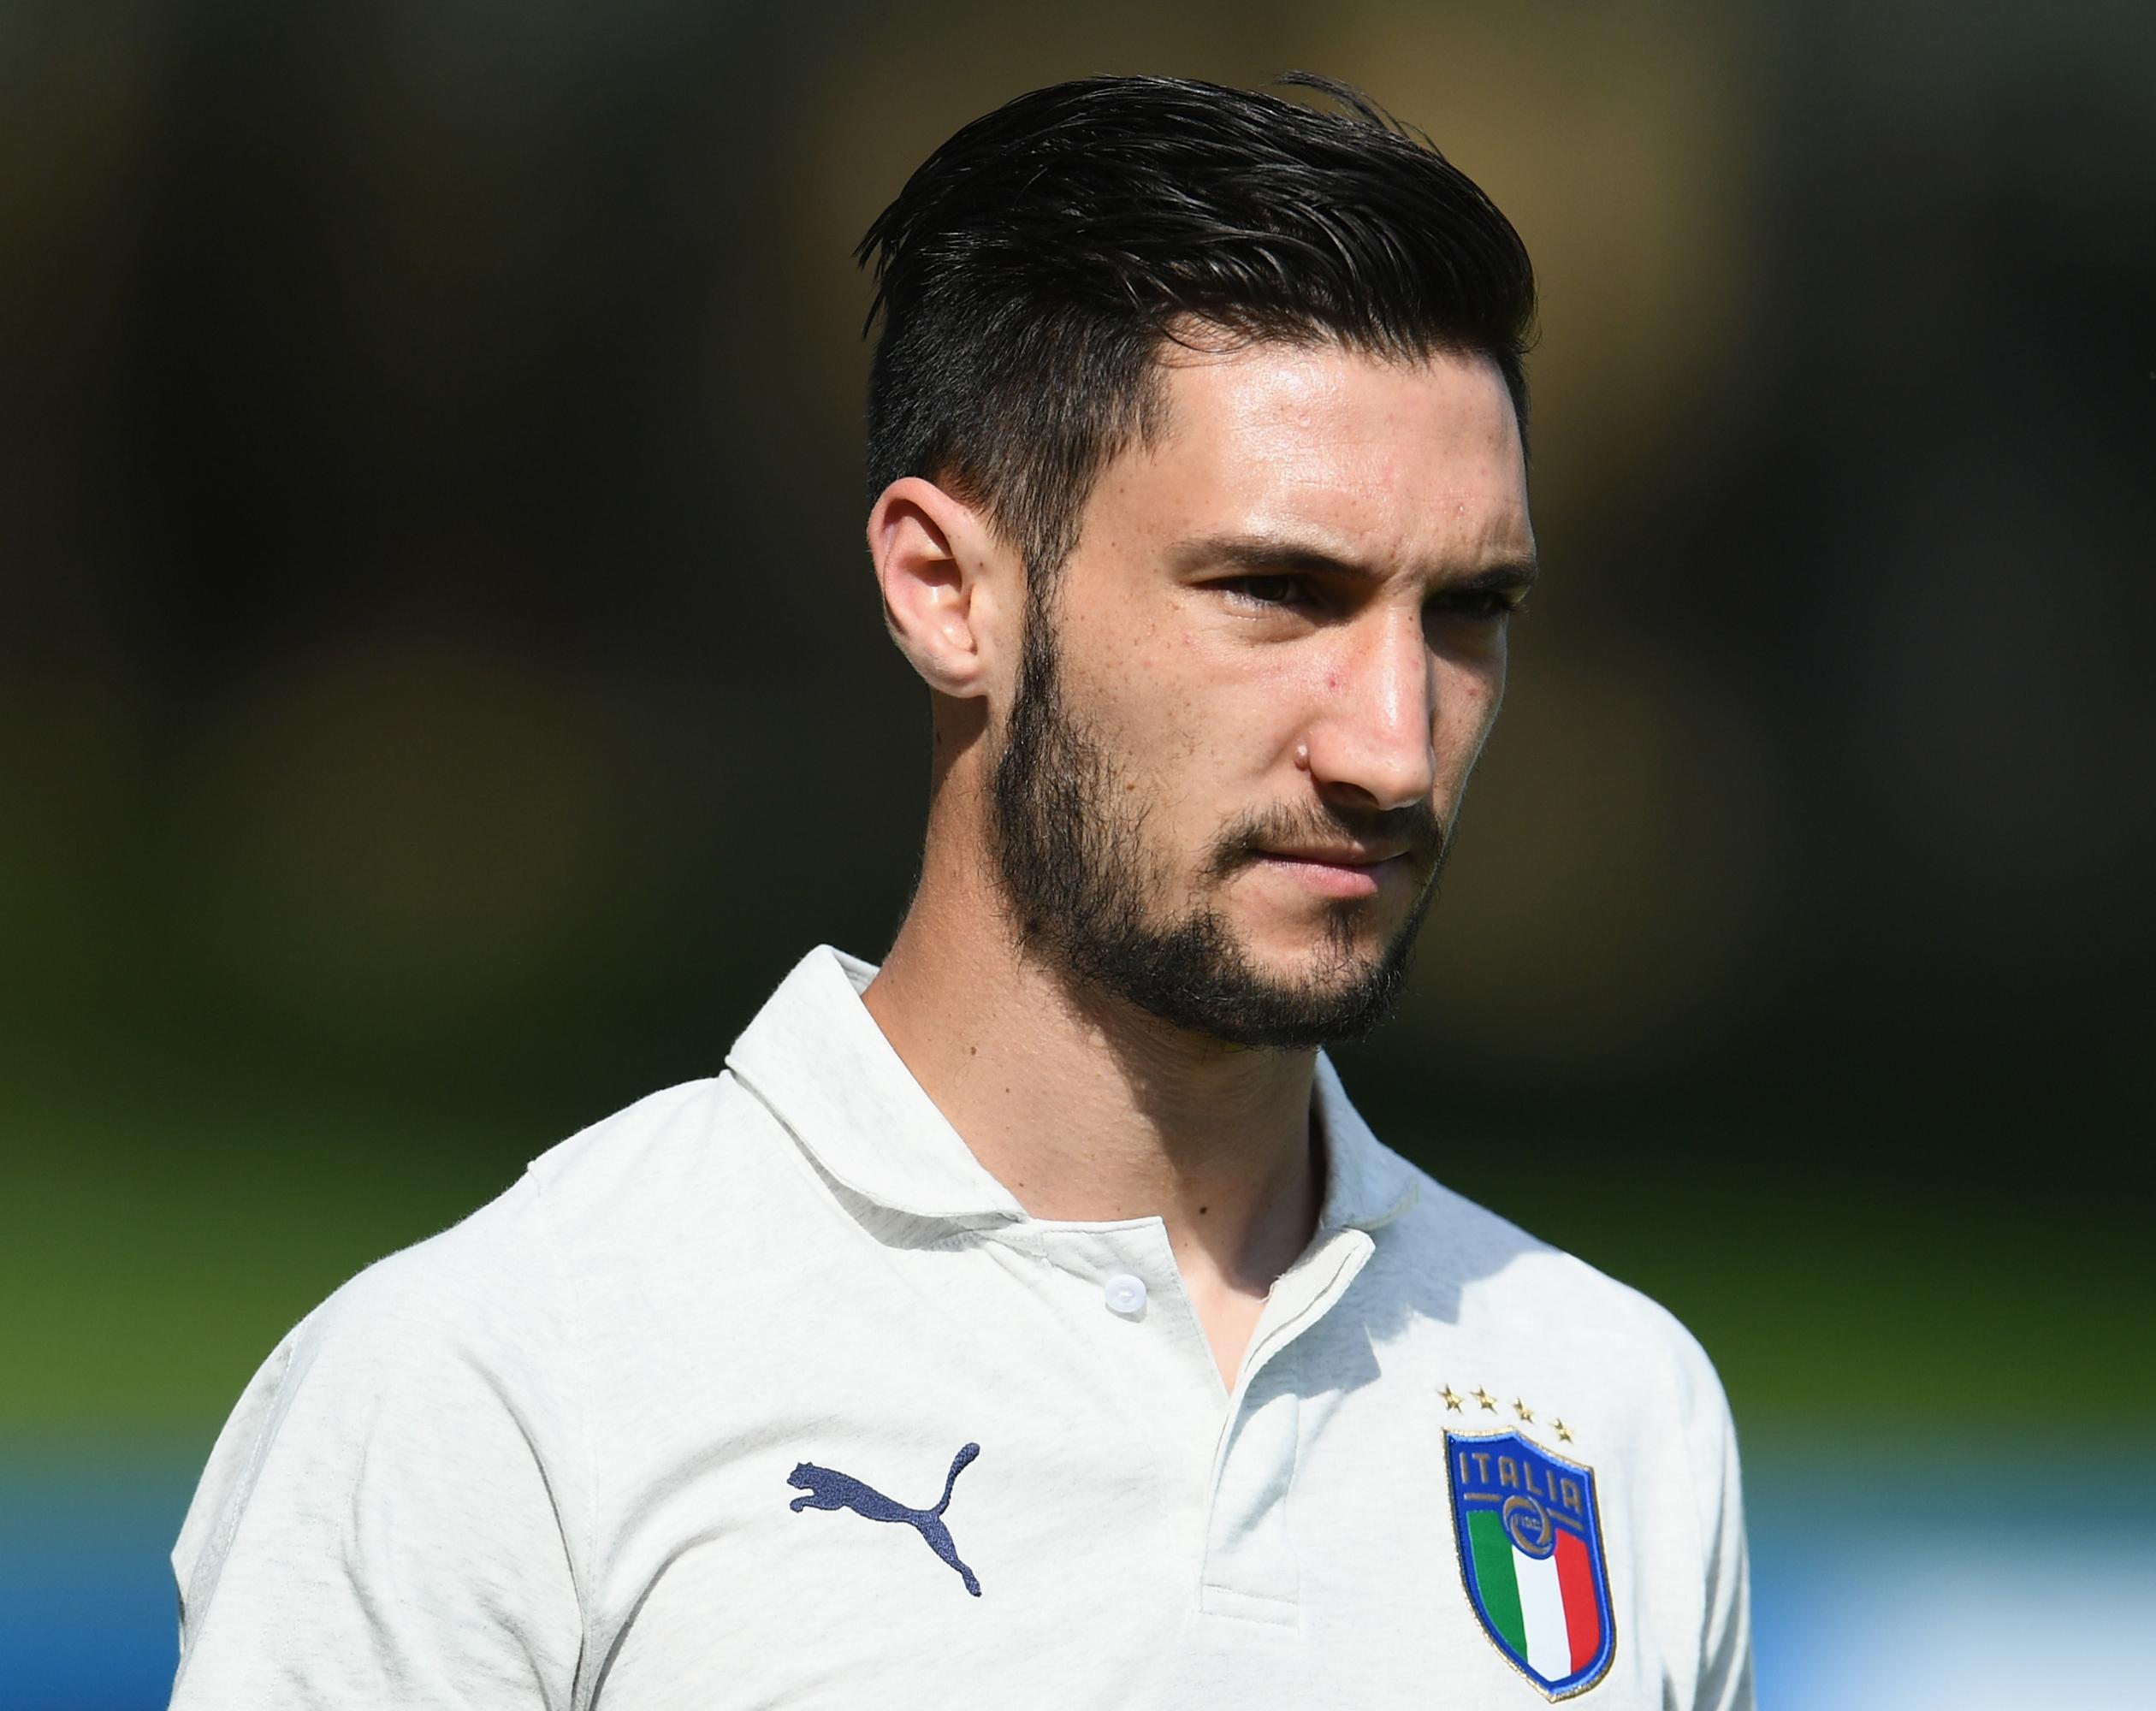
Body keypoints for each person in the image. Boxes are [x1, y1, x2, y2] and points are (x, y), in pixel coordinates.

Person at [167, 74, 1752, 1708]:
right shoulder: (505, 1383)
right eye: (1279, 592)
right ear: (947, 592)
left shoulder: (1611, 1405)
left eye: (1469, 613)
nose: (1397, 749)